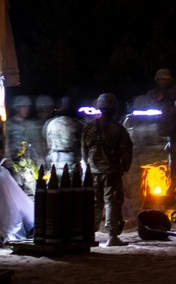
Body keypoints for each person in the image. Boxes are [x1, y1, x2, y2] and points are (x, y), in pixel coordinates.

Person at [82, 93, 133, 247]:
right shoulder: (118, 129)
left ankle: (89, 234)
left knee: (95, 202)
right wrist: (125, 167)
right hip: (111, 172)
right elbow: (127, 151)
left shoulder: (89, 127)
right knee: (112, 202)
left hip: (93, 171)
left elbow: (84, 151)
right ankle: (112, 236)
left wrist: (90, 165)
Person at [4, 95, 42, 195]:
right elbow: (6, 143)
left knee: (30, 191)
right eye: (23, 107)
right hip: (14, 163)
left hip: (29, 164)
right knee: (15, 191)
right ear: (17, 108)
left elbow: (37, 143)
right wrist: (9, 161)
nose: (26, 109)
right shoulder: (9, 125)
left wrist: (40, 160)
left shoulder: (31, 125)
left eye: (28, 107)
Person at [44, 96, 84, 176]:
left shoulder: (51, 123)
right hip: (72, 164)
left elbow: (47, 142)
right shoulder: (78, 125)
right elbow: (82, 145)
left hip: (55, 162)